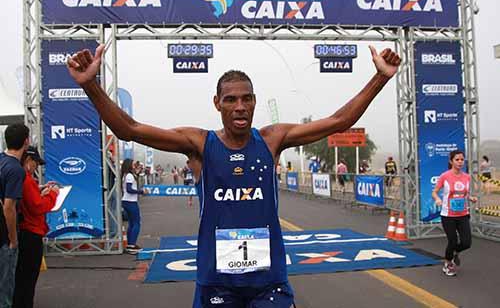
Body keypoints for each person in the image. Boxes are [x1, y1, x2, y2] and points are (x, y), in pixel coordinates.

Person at [67, 44, 400, 307]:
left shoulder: (272, 139)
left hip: (269, 281)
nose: (239, 106)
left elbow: (339, 121)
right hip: (217, 281)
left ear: (254, 102)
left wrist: (380, 78)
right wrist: (91, 86)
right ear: (217, 103)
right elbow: (129, 130)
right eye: (231, 100)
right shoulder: (199, 144)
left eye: (246, 99)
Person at [13, 147, 59, 308]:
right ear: (28, 161)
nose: (36, 168)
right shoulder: (24, 178)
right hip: (30, 232)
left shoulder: (20, 177)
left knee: (22, 278)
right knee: (27, 279)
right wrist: (52, 194)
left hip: (24, 231)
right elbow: (37, 206)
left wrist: (40, 189)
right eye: (35, 163)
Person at [432, 150, 477, 277]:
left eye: (462, 159)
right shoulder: (445, 176)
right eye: (457, 159)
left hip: (463, 214)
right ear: (451, 161)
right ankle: (448, 263)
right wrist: (437, 199)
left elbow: (465, 193)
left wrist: (471, 198)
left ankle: (454, 252)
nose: (460, 162)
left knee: (466, 242)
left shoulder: (467, 177)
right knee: (452, 241)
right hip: (448, 215)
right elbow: (434, 191)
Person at [0, 123, 29, 308]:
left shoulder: (1, 160)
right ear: (26, 141)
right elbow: (9, 207)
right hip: (3, 236)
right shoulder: (16, 170)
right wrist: (13, 239)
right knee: (5, 288)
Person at [121, 159, 145, 254]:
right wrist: (141, 191)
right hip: (130, 201)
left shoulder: (126, 175)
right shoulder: (129, 176)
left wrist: (137, 174)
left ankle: (130, 244)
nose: (134, 165)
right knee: (136, 223)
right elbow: (129, 189)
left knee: (131, 223)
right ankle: (131, 244)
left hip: (126, 201)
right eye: (133, 164)